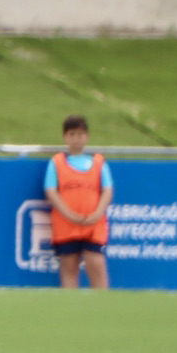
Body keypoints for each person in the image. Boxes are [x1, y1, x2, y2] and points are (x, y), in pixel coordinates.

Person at [46, 114, 113, 290]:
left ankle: (103, 305)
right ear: (65, 137)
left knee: (95, 262)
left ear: (87, 137)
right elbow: (51, 191)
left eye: (80, 134)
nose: (76, 139)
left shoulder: (98, 163)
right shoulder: (57, 163)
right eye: (72, 134)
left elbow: (107, 189)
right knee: (69, 264)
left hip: (93, 222)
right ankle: (70, 308)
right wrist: (68, 214)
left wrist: (98, 213)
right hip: (66, 223)